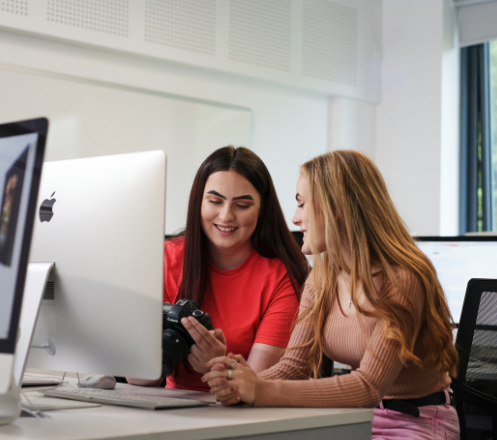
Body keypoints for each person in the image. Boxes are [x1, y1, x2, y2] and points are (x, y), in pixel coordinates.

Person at [191, 150, 460, 440]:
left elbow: (368, 387)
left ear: (337, 209)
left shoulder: (404, 279)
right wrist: (237, 383)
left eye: (302, 204)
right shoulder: (322, 277)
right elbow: (293, 367)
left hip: (413, 422)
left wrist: (258, 388)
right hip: (351, 419)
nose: (295, 218)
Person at [128, 146, 309, 391]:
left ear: (262, 210)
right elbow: (139, 379)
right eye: (214, 201)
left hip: (238, 420)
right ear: (198, 202)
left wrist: (217, 366)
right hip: (167, 414)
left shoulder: (281, 276)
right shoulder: (166, 258)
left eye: (242, 205)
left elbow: (258, 387)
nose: (226, 216)